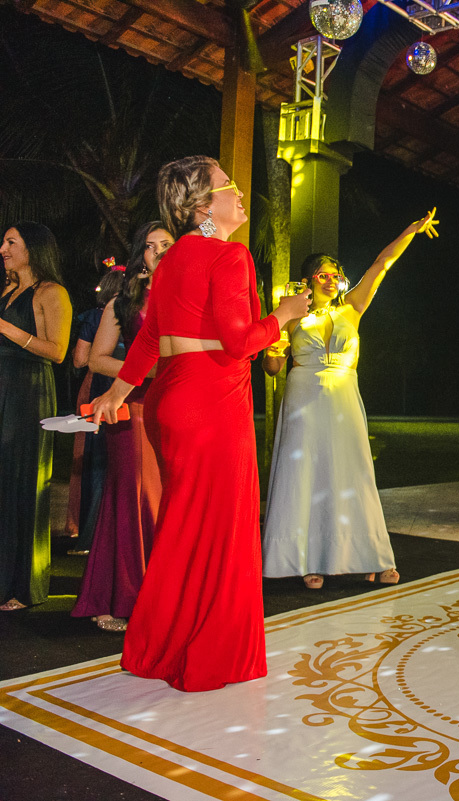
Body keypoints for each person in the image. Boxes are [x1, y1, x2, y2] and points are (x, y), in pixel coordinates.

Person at [91, 157, 310, 690]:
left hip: (174, 400)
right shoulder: (228, 256)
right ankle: (208, 652)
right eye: (228, 186)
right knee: (219, 529)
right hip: (213, 400)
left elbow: (148, 340)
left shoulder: (170, 261)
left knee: (183, 527)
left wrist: (117, 392)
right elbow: (239, 342)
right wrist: (284, 314)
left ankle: (159, 646)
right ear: (202, 206)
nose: (239, 193)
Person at [261, 211, 438, 590]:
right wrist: (275, 341)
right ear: (309, 280)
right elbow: (273, 368)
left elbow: (382, 264)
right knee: (303, 474)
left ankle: (371, 556)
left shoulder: (352, 307)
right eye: (322, 274)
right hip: (303, 396)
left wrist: (410, 229)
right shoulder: (292, 313)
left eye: (335, 274)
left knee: (352, 474)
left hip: (343, 397)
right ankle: (306, 560)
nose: (330, 280)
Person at [71, 222, 173, 631]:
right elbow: (96, 359)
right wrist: (150, 372)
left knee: (170, 500)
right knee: (133, 496)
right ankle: (123, 596)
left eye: (167, 244)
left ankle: (166, 595)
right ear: (140, 258)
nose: (159, 252)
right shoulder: (124, 301)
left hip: (179, 408)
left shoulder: (187, 297)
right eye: (150, 247)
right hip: (134, 409)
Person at [0, 221, 72, 611]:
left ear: (34, 248)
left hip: (29, 392)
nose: (2, 249)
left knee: (23, 483)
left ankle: (23, 587)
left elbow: (57, 351)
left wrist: (6, 329)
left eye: (11, 242)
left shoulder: (51, 292)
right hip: (2, 387)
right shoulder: (9, 291)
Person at [66, 267, 127, 554]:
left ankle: (90, 535)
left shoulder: (95, 317)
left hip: (101, 390)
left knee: (96, 462)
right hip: (136, 391)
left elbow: (79, 360)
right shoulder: (140, 314)